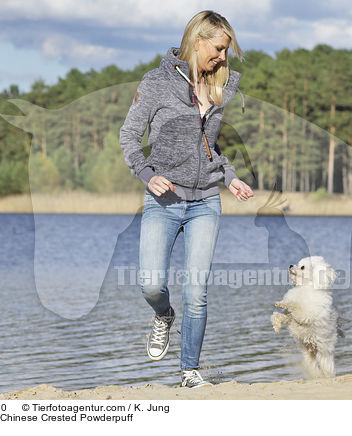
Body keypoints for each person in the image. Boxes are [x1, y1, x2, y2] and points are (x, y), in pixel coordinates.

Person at [119, 10, 254, 388]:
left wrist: (229, 176)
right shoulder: (156, 83)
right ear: (197, 41)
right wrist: (148, 174)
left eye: (226, 51)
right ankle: (163, 315)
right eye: (218, 49)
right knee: (150, 284)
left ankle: (189, 373)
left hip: (206, 202)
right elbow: (128, 137)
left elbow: (209, 146)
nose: (223, 57)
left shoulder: (220, 87)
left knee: (197, 291)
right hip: (164, 201)